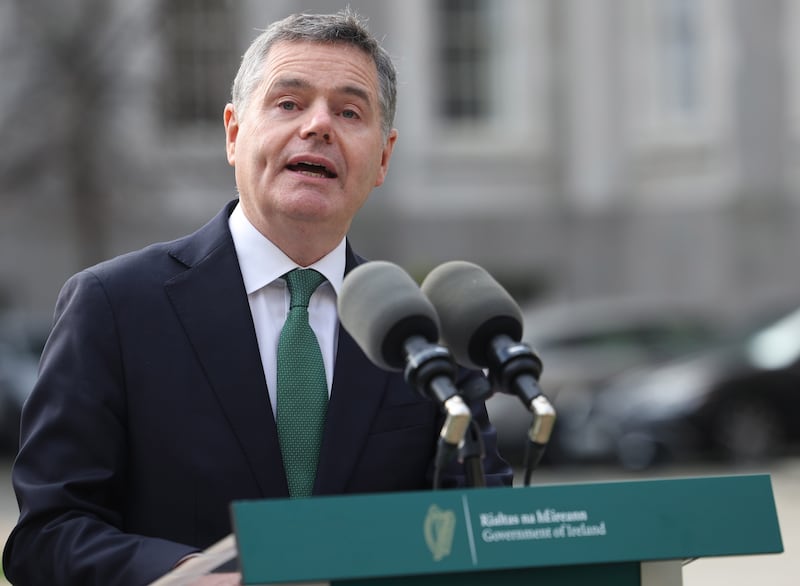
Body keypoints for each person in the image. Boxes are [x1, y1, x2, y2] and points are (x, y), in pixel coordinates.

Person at [2, 9, 512, 586]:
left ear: (384, 159)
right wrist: (180, 574)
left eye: (349, 112)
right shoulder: (114, 306)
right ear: (234, 133)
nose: (319, 126)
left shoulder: (424, 335)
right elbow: (46, 535)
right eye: (289, 103)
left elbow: (481, 529)